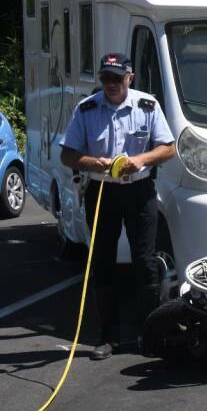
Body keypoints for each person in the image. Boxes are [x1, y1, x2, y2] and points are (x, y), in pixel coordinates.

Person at [59, 53, 176, 360]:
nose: (111, 84)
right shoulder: (87, 109)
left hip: (139, 190)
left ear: (130, 78)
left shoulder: (147, 106)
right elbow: (68, 155)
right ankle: (108, 337)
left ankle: (149, 335)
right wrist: (92, 162)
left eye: (117, 78)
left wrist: (140, 160)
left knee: (144, 261)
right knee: (102, 261)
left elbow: (168, 148)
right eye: (105, 78)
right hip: (102, 192)